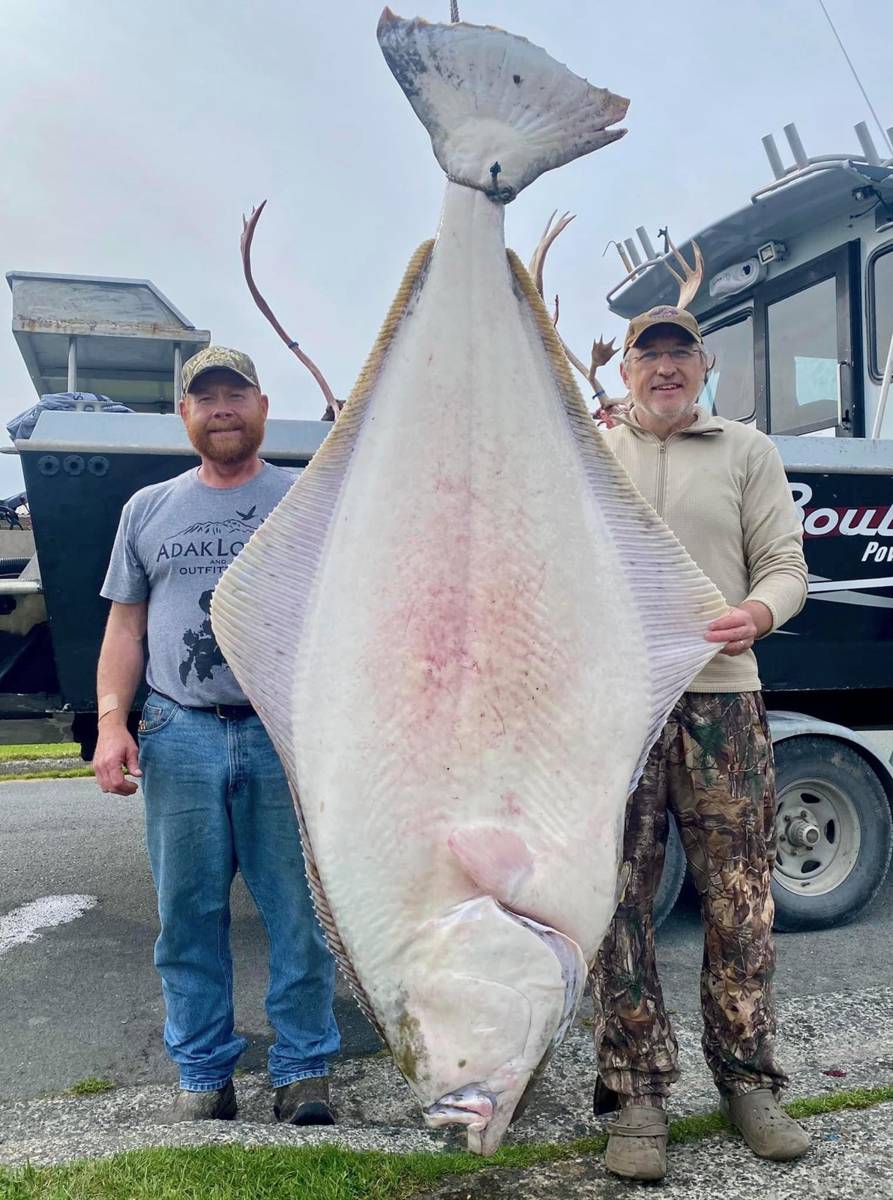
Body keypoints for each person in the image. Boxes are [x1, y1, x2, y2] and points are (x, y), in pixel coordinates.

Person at [93, 346, 340, 1125]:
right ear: (185, 415)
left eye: (236, 394)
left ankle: (304, 1070)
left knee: (298, 913)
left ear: (263, 408)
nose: (222, 407)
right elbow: (125, 625)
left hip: (282, 734)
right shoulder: (147, 509)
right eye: (206, 397)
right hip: (178, 729)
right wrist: (111, 723)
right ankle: (204, 1073)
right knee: (187, 915)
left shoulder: (310, 499)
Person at [591, 306, 810, 1181]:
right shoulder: (593, 453)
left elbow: (785, 566)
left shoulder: (747, 451)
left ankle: (748, 1080)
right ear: (627, 372)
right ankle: (636, 1094)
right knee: (617, 905)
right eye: (650, 355)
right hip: (619, 711)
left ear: (703, 364)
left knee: (740, 901)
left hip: (724, 704)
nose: (666, 368)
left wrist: (757, 614)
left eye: (681, 353)